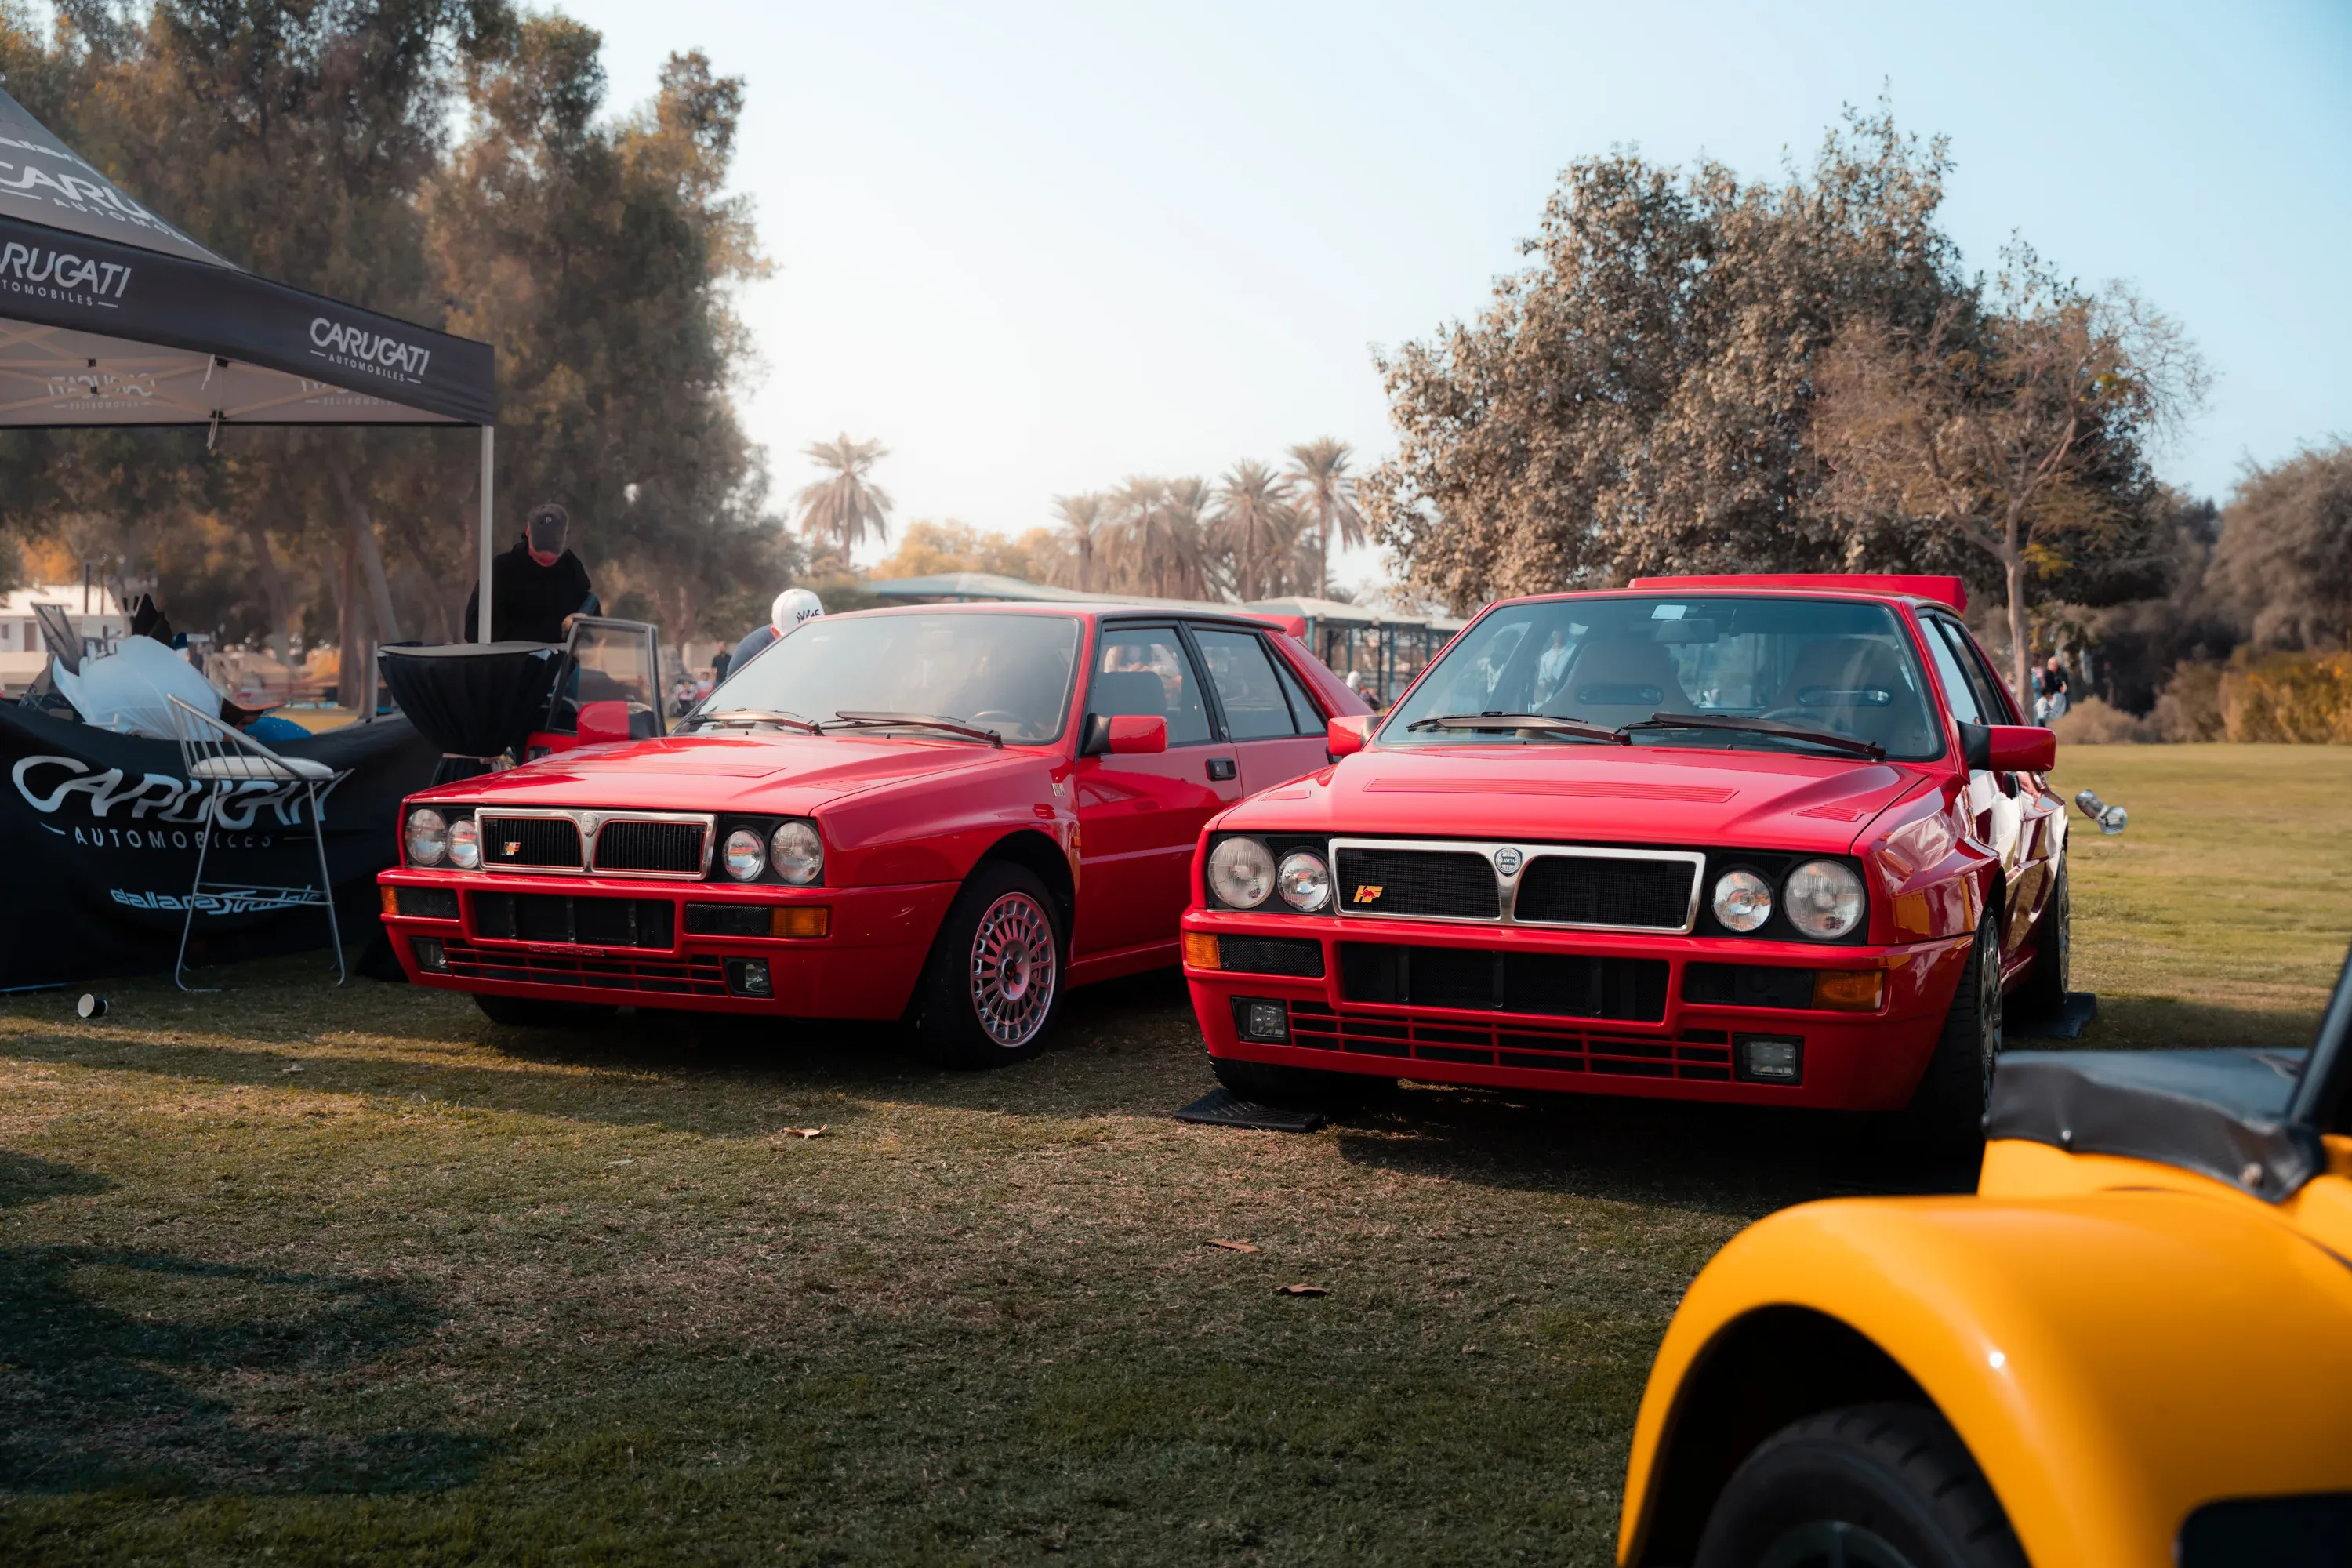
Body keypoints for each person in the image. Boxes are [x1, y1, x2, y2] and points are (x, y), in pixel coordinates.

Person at [464, 503, 595, 644]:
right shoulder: (502, 570)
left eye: (553, 551)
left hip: (560, 664)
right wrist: (557, 630)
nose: (546, 557)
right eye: (539, 550)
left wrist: (582, 624)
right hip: (508, 663)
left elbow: (591, 614)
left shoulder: (572, 569)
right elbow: (473, 629)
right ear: (528, 532)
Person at [714, 588, 824, 682]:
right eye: (798, 637)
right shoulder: (752, 655)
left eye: (815, 632)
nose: (809, 642)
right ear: (776, 633)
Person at [2034, 653, 2071, 724]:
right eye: (2054, 665)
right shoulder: (2047, 673)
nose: (2056, 667)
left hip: (2056, 697)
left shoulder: (2060, 673)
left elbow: (2063, 685)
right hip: (2049, 697)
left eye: (2056, 665)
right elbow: (2046, 688)